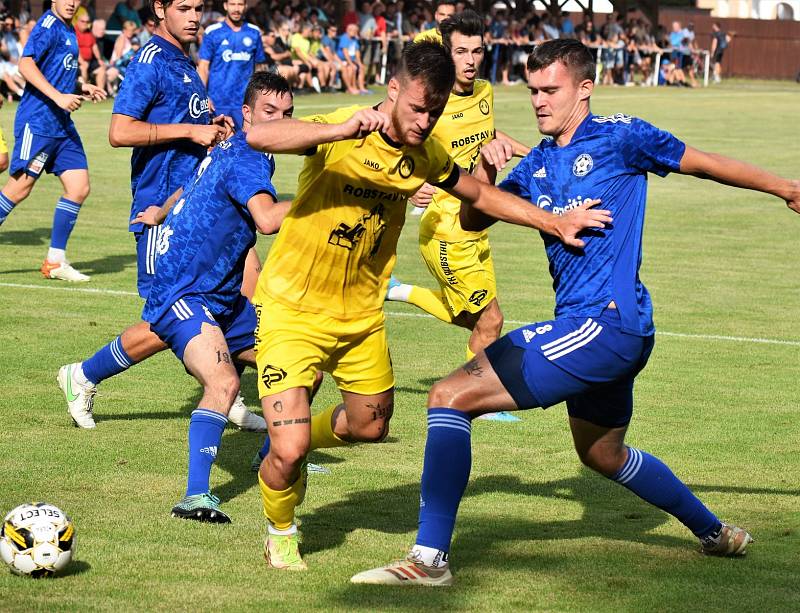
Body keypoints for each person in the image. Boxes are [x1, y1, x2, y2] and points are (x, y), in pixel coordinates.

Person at [351, 38, 800, 586]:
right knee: (602, 454)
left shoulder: (622, 136)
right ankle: (716, 533)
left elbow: (703, 164)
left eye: (550, 90)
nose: (538, 101)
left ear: (584, 89)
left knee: (449, 396)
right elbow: (472, 222)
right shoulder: (536, 163)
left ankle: (428, 561)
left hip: (603, 324)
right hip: (608, 329)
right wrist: (484, 172)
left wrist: (786, 188)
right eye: (533, 90)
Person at [244, 40, 608, 571]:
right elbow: (260, 135)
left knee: (371, 427)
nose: (423, 121)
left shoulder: (426, 151)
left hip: (361, 318)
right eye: (416, 107)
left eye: (433, 111)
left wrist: (553, 221)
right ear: (393, 90)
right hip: (291, 311)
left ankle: (299, 435)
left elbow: (480, 198)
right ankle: (281, 528)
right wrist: (337, 130)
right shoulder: (347, 127)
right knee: (288, 451)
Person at [57, 0, 264, 433]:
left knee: (244, 286)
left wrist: (212, 123)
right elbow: (120, 130)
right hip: (162, 214)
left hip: (201, 210)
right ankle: (82, 375)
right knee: (168, 318)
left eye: (198, 8)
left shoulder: (184, 62)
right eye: (184, 7)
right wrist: (190, 130)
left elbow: (187, 122)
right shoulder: (150, 59)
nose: (194, 16)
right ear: (160, 9)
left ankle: (228, 393)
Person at [139, 71, 293, 522]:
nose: (278, 122)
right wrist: (328, 200)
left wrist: (164, 209)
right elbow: (266, 220)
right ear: (247, 114)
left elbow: (197, 186)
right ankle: (195, 496)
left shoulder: (241, 150)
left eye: (286, 115)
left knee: (299, 365)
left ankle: (275, 459)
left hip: (222, 298)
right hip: (184, 292)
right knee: (224, 383)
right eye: (269, 113)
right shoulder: (247, 155)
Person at [386, 11, 528, 395]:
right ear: (446, 54)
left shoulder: (484, 92)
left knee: (476, 317)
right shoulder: (432, 100)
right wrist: (409, 186)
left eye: (476, 51)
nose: (469, 60)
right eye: (461, 51)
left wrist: (532, 156)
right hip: (445, 229)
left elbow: (488, 134)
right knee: (490, 320)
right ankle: (472, 395)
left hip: (477, 221)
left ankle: (400, 291)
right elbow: (395, 144)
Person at [0, 0, 106, 281]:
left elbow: (56, 75)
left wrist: (82, 86)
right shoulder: (47, 25)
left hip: (61, 126)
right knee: (19, 189)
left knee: (79, 187)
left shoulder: (68, 29)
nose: (72, 3)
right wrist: (59, 97)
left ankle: (55, 262)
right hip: (38, 123)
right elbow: (25, 64)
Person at [197, 0, 267, 131]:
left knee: (247, 146)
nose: (236, 8)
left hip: (245, 102)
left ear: (245, 6)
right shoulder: (212, 32)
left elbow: (260, 68)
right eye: (233, 4)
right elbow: (203, 67)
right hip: (217, 102)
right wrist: (203, 96)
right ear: (225, 6)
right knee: (217, 146)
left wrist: (260, 96)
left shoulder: (254, 32)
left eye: (240, 4)